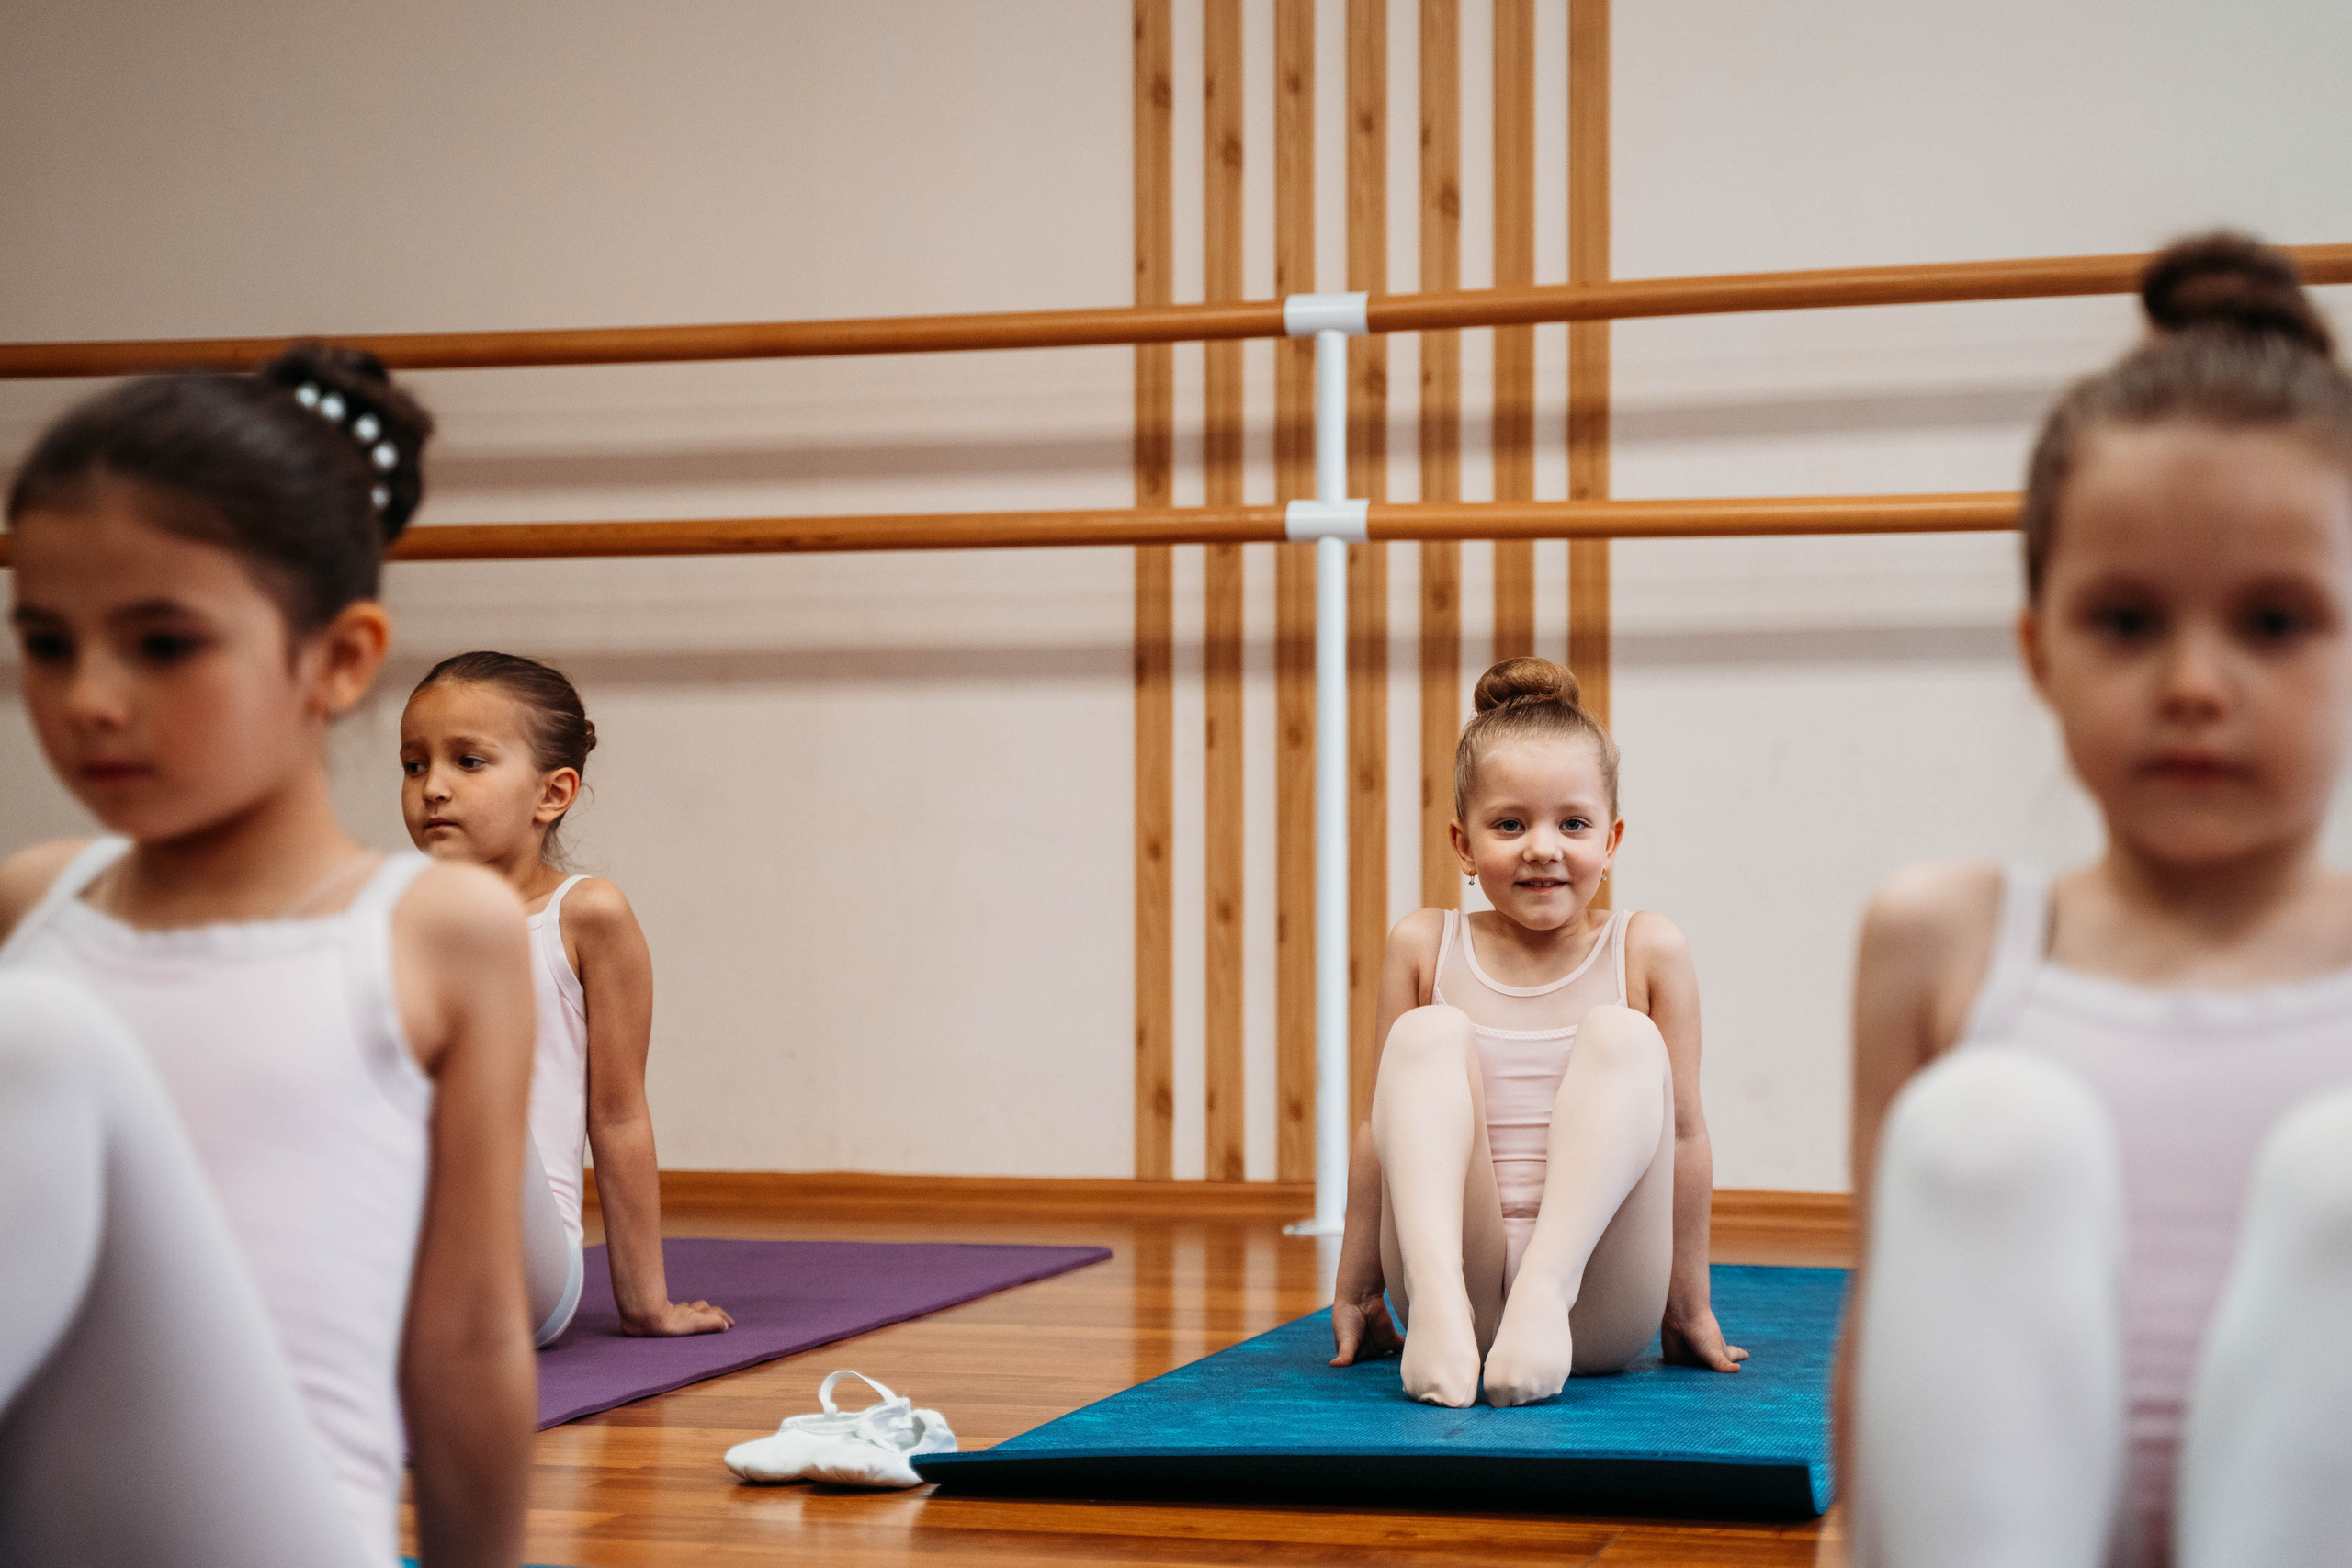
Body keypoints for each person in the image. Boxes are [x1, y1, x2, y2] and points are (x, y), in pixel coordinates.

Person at [1844, 233, 2352, 1567]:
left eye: (2275, 621)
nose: (2196, 681)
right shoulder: (1940, 939)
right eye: (2129, 621)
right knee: (1990, 1132)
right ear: (2039, 648)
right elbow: (1881, 1361)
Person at [0, 345, 535, 1568]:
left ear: (339, 659)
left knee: (38, 1036)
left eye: (164, 643)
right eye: (45, 640)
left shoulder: (436, 928)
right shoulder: (33, 899)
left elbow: (467, 1336)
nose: (86, 697)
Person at [1329, 657, 1746, 1407]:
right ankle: (1442, 1314)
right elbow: (1375, 1127)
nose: (1543, 847)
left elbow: (1684, 1136)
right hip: (1451, 1285)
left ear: (1611, 839)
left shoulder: (1648, 948)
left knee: (1624, 1036)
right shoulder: (1424, 942)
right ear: (1463, 843)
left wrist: (1687, 1305)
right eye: (1510, 824)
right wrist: (1359, 1289)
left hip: (1593, 1303)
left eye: (1573, 823)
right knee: (1425, 1036)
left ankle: (1542, 1298)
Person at [399, 650, 731, 1341]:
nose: (433, 786)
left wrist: (647, 1303)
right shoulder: (395, 914)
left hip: (527, 1266)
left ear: (552, 793)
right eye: (413, 764)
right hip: (406, 1259)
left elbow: (617, 1117)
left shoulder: (586, 914)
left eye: (468, 761)